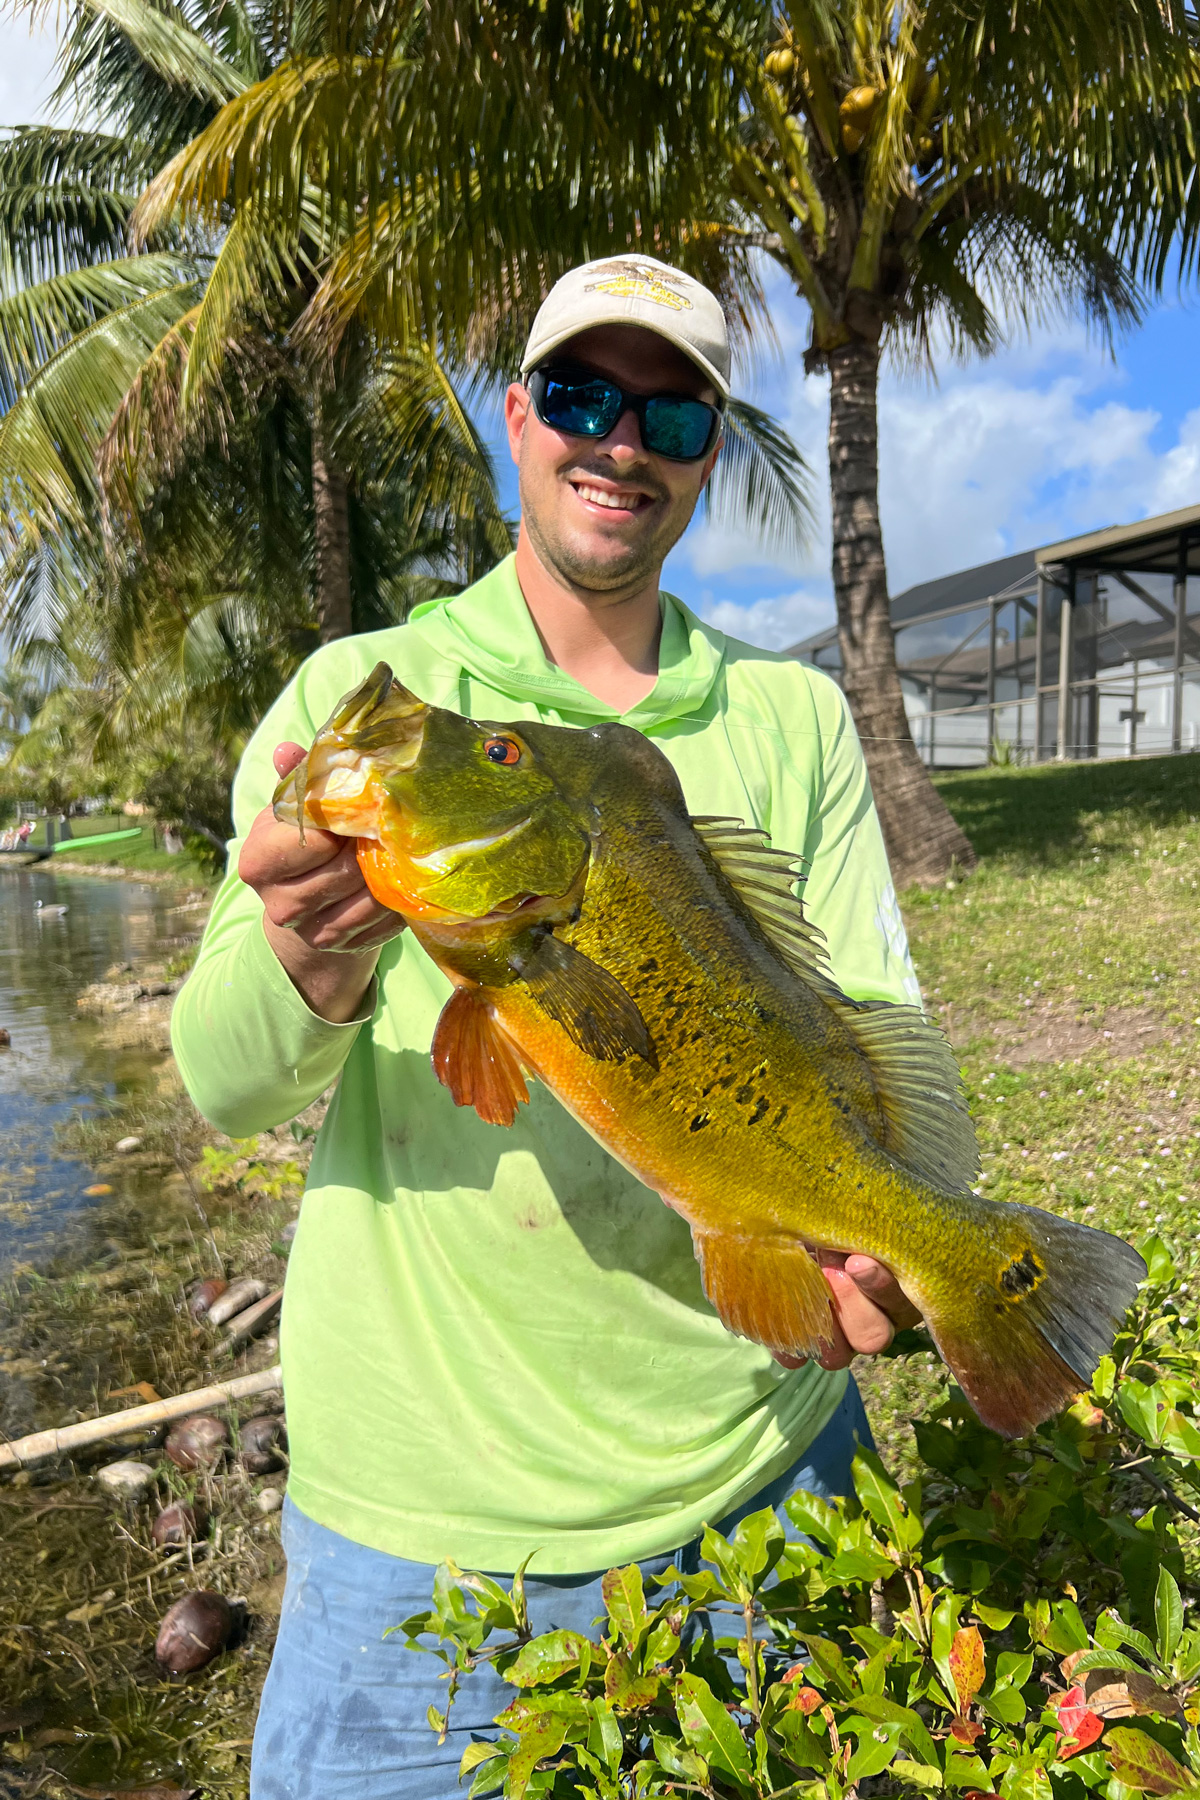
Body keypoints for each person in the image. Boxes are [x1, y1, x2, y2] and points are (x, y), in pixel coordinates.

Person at [171, 255, 924, 1799]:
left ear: (710, 450)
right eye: (581, 396)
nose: (620, 443)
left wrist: (896, 1243)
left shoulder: (789, 720)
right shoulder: (367, 704)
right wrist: (310, 958)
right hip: (419, 1549)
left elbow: (873, 1023)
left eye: (672, 413)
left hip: (761, 1490)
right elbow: (218, 1079)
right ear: (514, 417)